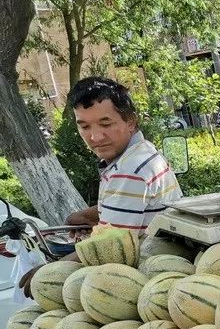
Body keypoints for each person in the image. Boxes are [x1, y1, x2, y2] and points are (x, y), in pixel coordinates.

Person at [19, 77, 183, 295]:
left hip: (142, 284)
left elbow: (109, 248)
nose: (95, 137)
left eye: (106, 124)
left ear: (131, 122)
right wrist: (88, 215)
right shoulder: (140, 152)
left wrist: (48, 273)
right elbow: (135, 205)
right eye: (84, 126)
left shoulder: (130, 169)